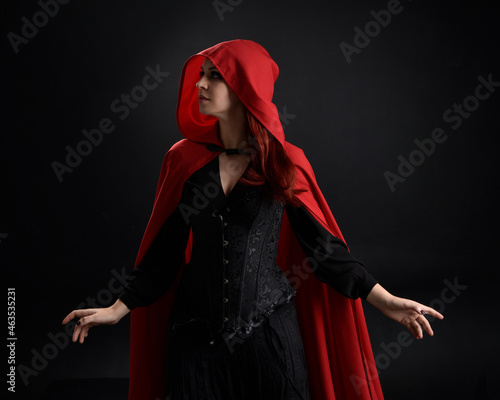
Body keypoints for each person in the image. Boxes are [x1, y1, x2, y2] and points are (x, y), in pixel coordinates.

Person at [62, 39, 444, 400]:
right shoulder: (183, 161)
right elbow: (165, 252)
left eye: (214, 75)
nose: (201, 83)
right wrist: (117, 308)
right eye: (202, 74)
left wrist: (386, 300)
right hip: (195, 338)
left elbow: (323, 251)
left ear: (246, 88)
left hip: (270, 336)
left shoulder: (284, 162)